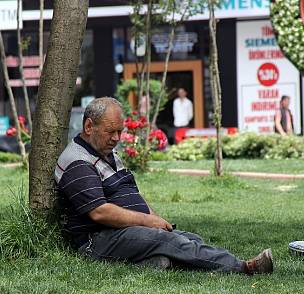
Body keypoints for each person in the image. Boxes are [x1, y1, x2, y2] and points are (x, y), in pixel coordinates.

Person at [55, 97, 274, 275]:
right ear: (89, 126)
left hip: (125, 231)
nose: (116, 138)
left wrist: (158, 219)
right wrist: (148, 221)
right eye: (110, 131)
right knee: (167, 240)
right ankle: (244, 267)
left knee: (189, 240)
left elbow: (130, 193)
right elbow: (100, 212)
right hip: (99, 240)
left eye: (120, 132)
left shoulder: (106, 151)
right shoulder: (77, 161)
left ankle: (156, 263)